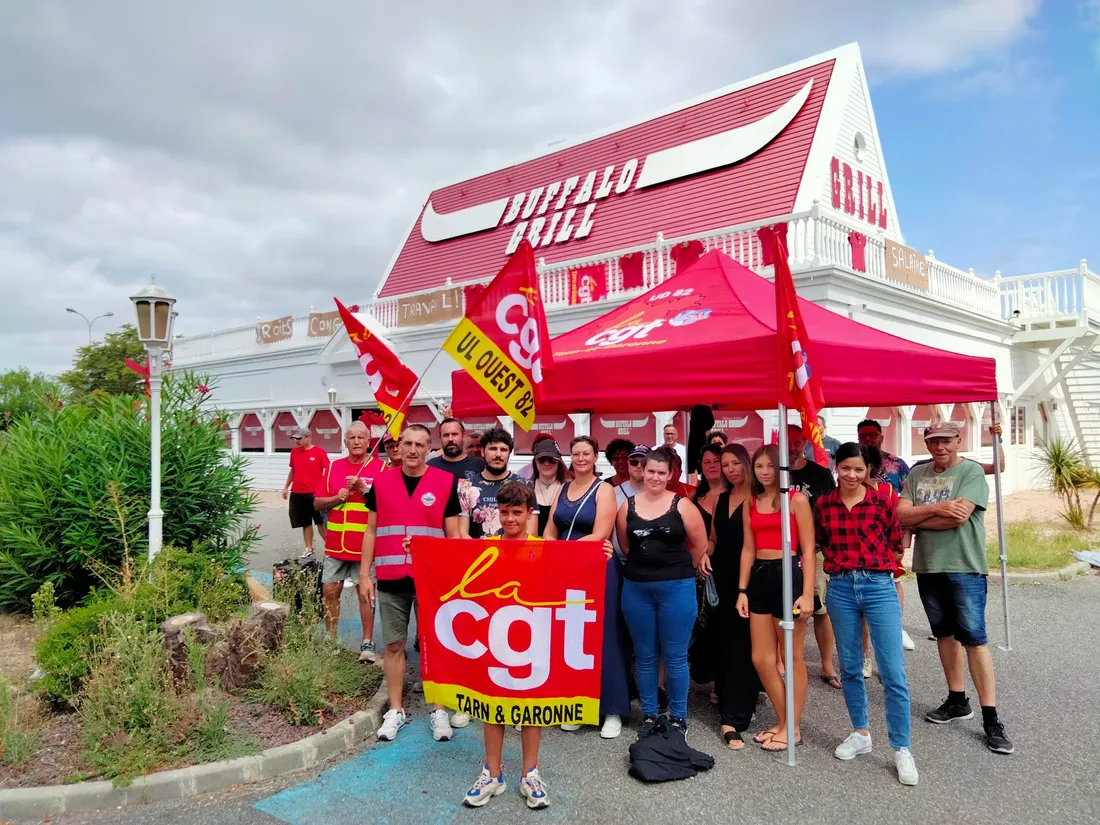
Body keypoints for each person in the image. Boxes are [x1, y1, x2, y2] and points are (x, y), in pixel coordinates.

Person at [462, 480, 596, 810]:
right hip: (495, 640)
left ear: (529, 513)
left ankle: (530, 773)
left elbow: (573, 570)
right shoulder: (486, 547)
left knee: (530, 708)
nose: (510, 519)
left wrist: (599, 555)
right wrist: (417, 548)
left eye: (517, 513)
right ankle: (492, 773)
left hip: (533, 641)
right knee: (492, 707)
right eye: (504, 512)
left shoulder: (544, 547)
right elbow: (453, 568)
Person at [897, 422, 1014, 755]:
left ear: (957, 440)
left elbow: (959, 517)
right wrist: (934, 509)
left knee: (974, 640)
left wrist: (918, 517)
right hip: (928, 565)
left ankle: (991, 718)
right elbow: (901, 514)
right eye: (933, 441)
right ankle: (957, 699)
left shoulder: (971, 472)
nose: (940, 447)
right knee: (944, 635)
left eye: (946, 440)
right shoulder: (917, 475)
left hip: (964, 565)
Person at [815, 443, 918, 786]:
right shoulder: (825, 504)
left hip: (878, 586)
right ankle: (860, 733)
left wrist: (878, 568)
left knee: (892, 671)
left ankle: (901, 747)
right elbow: (823, 541)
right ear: (836, 467)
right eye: (846, 468)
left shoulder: (881, 502)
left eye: (859, 469)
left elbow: (895, 542)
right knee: (850, 666)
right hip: (841, 588)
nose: (852, 475)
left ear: (868, 471)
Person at [359, 424, 469, 742]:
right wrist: (365, 575)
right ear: (399, 445)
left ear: (428, 448)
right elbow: (370, 532)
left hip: (432, 580)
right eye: (407, 443)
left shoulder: (445, 483)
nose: (412, 450)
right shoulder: (381, 482)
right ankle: (396, 711)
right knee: (393, 645)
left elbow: (451, 536)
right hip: (391, 578)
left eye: (420, 444)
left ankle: (438, 710)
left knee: (435, 646)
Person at [617, 446, 709, 737]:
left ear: (670, 475)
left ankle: (679, 717)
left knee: (675, 656)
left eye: (661, 472)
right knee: (644, 655)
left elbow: (700, 545)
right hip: (636, 588)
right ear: (642, 472)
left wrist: (677, 571)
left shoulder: (682, 506)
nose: (655, 477)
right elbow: (626, 545)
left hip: (676, 588)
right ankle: (649, 714)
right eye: (650, 471)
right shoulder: (627, 506)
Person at [544, 436, 626, 739]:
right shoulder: (562, 489)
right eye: (575, 453)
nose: (580, 458)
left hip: (596, 569)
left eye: (586, 453)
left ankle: (613, 709)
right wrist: (554, 551)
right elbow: (549, 530)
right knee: (572, 639)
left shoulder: (604, 489)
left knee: (604, 637)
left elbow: (601, 533)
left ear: (595, 458)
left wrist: (563, 552)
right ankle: (577, 706)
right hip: (565, 571)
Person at [736, 444, 815, 752]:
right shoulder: (751, 502)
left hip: (788, 576)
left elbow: (808, 550)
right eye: (760, 466)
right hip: (759, 576)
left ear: (782, 469)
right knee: (762, 658)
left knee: (792, 658)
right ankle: (785, 720)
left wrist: (808, 594)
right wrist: (742, 589)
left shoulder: (795, 500)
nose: (765, 472)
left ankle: (792, 728)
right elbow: (748, 548)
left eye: (771, 466)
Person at [313, 421, 383, 663]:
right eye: (351, 437)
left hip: (365, 547)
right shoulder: (333, 468)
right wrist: (336, 497)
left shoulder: (381, 468)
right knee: (330, 591)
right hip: (335, 545)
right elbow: (317, 503)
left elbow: (387, 504)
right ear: (345, 442)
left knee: (366, 594)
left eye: (361, 437)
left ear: (368, 442)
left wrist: (363, 489)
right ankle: (330, 640)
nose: (356, 441)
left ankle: (367, 642)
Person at [705, 444, 761, 750]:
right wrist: (704, 554)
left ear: (746, 463)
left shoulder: (759, 499)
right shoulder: (721, 498)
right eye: (724, 465)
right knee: (725, 642)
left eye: (734, 463)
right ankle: (728, 698)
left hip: (749, 577)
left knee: (744, 644)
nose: (729, 470)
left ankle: (735, 715)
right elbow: (715, 538)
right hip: (722, 577)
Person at [786, 425, 841, 690]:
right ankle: (784, 663)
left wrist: (828, 548)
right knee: (782, 610)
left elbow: (831, 511)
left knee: (819, 609)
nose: (792, 447)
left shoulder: (820, 475)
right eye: (787, 442)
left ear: (805, 443)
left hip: (814, 552)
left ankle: (827, 665)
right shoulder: (773, 474)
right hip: (780, 552)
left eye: (797, 442)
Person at [458, 427, 525, 539]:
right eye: (493, 449)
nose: (498, 454)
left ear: (509, 454)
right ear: (483, 452)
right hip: (478, 554)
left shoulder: (524, 485)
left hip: (514, 553)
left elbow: (530, 530)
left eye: (503, 450)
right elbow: (462, 532)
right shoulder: (466, 486)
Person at [281, 427, 330, 557]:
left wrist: (325, 489)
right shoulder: (294, 452)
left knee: (320, 522)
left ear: (308, 438)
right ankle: (309, 548)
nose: (297, 441)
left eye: (299, 438)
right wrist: (286, 487)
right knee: (305, 522)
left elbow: (328, 471)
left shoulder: (319, 452)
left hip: (315, 493)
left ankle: (330, 548)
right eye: (295, 439)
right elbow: (293, 470)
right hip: (298, 492)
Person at [858, 419, 910, 494]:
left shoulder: (898, 464)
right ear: (858, 439)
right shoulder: (852, 465)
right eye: (863, 436)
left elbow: (909, 495)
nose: (867, 438)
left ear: (881, 438)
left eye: (873, 435)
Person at [428, 417, 485, 481]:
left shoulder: (479, 465)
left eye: (454, 434)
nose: (450, 439)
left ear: (463, 436)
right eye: (446, 435)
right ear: (440, 438)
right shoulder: (431, 466)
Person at [530, 438, 565, 537]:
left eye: (552, 459)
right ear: (535, 461)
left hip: (560, 547)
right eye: (541, 459)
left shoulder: (569, 488)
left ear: (559, 461)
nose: (546, 463)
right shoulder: (526, 488)